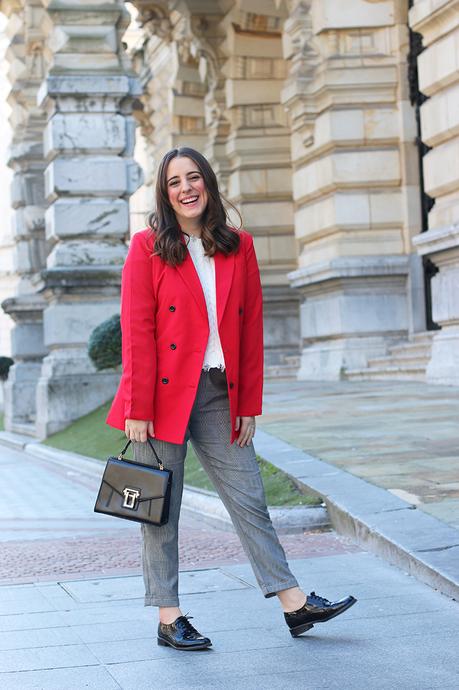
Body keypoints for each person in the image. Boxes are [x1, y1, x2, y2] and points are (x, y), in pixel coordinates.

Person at [106, 146, 357, 651]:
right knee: (160, 508)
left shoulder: (238, 246)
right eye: (175, 182)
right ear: (165, 192)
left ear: (208, 184)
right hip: (162, 397)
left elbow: (250, 330)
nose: (185, 189)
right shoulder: (147, 247)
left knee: (250, 500)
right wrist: (136, 406)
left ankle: (293, 603)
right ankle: (168, 617)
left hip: (221, 392)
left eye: (193, 178)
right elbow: (136, 330)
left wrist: (249, 404)